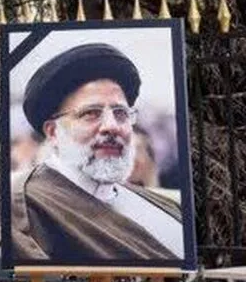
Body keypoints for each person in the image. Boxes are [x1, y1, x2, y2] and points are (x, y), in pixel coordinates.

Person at [10, 42, 184, 262]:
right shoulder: (25, 206)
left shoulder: (166, 206)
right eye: (91, 113)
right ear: (53, 132)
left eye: (120, 113)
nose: (112, 126)